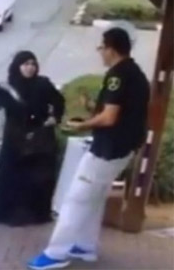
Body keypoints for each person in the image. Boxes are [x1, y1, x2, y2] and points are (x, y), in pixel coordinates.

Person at [28, 27, 150, 270]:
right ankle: (85, 246)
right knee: (94, 198)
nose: (100, 53)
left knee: (77, 197)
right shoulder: (136, 73)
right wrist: (93, 107)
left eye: (101, 48)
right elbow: (121, 111)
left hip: (107, 150)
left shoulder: (118, 76)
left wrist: (82, 125)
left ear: (111, 49)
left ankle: (56, 253)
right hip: (122, 149)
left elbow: (109, 118)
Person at [0, 51, 65, 227]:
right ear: (17, 66)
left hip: (38, 136)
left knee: (35, 177)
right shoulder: (7, 87)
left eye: (33, 64)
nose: (30, 68)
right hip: (14, 137)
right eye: (25, 64)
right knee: (11, 175)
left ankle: (34, 214)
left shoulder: (43, 84)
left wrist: (54, 118)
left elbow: (59, 101)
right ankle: (7, 213)